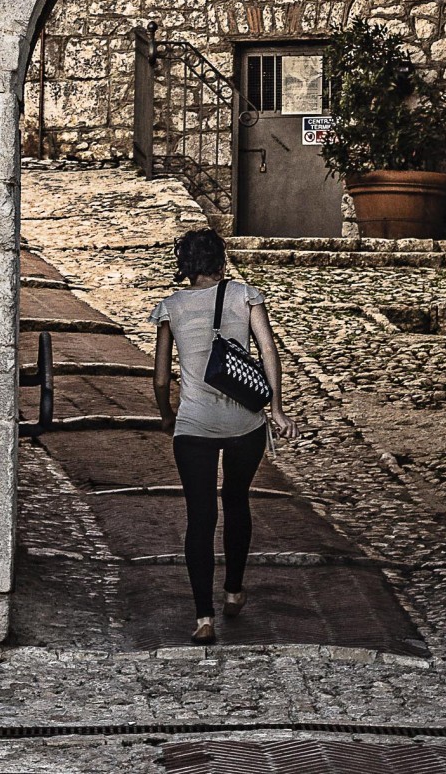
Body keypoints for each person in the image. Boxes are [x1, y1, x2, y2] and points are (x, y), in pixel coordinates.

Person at [149, 227, 298, 644]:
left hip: (193, 424)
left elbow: (161, 378)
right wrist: (277, 408)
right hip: (244, 424)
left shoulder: (170, 307)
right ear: (221, 260)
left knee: (200, 517)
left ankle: (203, 617)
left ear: (185, 266)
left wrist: (167, 416)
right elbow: (268, 351)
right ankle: (233, 591)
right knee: (236, 500)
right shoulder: (244, 295)